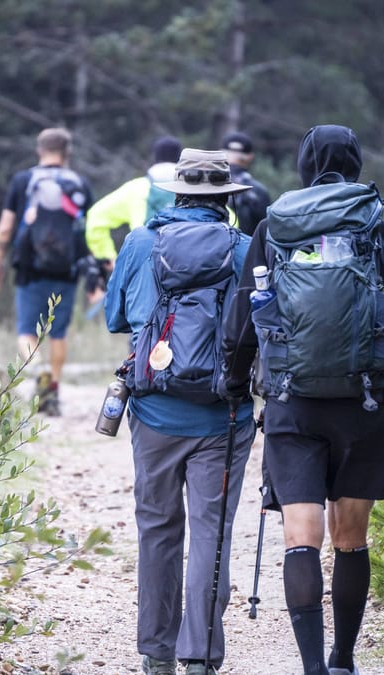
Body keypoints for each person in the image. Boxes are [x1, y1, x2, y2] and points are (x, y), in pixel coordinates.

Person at [221, 124, 384, 675]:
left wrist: (233, 379)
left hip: (292, 401)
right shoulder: (378, 230)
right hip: (362, 403)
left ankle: (313, 668)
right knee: (350, 537)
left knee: (301, 535)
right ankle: (344, 660)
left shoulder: (274, 227)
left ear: (302, 167)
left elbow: (245, 315)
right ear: (355, 164)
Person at [105, 148, 257, 675]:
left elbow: (115, 317)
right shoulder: (243, 249)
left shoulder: (141, 242)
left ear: (176, 190)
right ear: (226, 199)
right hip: (224, 416)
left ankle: (156, 653)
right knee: (211, 531)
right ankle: (200, 658)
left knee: (157, 528)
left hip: (153, 414)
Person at [0, 127, 96, 417]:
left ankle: (39, 373)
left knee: (26, 330)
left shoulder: (23, 181)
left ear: (39, 150)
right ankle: (54, 391)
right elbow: (89, 232)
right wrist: (94, 274)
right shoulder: (80, 184)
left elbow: (5, 230)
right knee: (58, 332)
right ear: (67, 152)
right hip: (67, 270)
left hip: (29, 268)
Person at [85, 135, 183, 273]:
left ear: (155, 159)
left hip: (144, 269)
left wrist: (108, 258)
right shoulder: (194, 191)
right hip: (186, 271)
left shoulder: (136, 188)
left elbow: (96, 216)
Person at [221, 131, 272, 236]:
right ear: (250, 157)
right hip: (248, 249)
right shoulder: (259, 191)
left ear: (221, 153)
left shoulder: (207, 186)